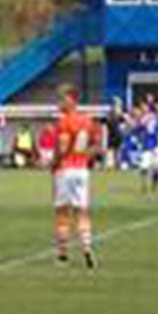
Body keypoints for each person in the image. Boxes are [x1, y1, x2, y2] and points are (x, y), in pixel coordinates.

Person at [50, 86, 98, 267]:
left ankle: (63, 255)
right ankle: (86, 247)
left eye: (62, 100)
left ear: (72, 100)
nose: (60, 103)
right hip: (82, 170)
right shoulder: (87, 120)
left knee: (62, 212)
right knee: (82, 211)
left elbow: (62, 148)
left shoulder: (65, 122)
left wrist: (54, 163)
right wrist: (85, 156)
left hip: (66, 169)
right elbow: (96, 145)